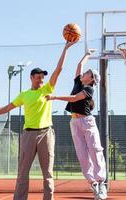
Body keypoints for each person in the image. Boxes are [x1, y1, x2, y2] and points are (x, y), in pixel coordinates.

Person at [0, 42, 75, 200]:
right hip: (28, 135)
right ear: (31, 77)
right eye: (38, 76)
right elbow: (8, 108)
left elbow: (58, 70)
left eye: (42, 77)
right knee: (22, 173)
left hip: (46, 133)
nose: (41, 79)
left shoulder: (47, 89)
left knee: (47, 173)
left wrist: (66, 48)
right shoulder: (24, 94)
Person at [46, 50, 107, 200]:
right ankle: (92, 183)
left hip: (87, 122)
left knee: (95, 150)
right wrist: (87, 54)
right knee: (82, 155)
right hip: (74, 122)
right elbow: (79, 64)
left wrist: (55, 97)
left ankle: (101, 183)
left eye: (87, 73)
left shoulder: (89, 89)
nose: (84, 73)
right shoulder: (79, 82)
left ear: (91, 78)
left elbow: (74, 98)